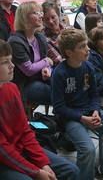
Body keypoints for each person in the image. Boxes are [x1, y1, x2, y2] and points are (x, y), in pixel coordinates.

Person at [52, 28, 103, 180]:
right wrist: (82, 118)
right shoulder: (59, 73)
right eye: (81, 47)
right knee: (88, 150)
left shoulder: (88, 67)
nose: (87, 49)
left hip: (89, 111)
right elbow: (59, 108)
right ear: (69, 52)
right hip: (70, 117)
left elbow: (94, 94)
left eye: (86, 45)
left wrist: (95, 111)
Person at [0, 40, 80, 180]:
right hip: (4, 161)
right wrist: (35, 172)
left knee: (71, 170)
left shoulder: (12, 88)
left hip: (20, 149)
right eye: (4, 62)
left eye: (11, 60)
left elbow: (25, 130)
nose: (12, 65)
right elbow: (3, 150)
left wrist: (42, 163)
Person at [8, 1, 53, 110]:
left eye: (40, 12)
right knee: (54, 93)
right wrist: (46, 62)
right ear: (24, 17)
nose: (41, 16)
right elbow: (29, 70)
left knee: (66, 86)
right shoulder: (15, 42)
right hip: (25, 84)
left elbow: (46, 62)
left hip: (40, 78)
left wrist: (46, 69)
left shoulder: (39, 37)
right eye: (36, 13)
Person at [42, 0, 67, 68]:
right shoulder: (44, 38)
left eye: (53, 17)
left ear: (58, 15)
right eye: (46, 19)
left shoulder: (68, 29)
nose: (51, 21)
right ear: (43, 21)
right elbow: (60, 61)